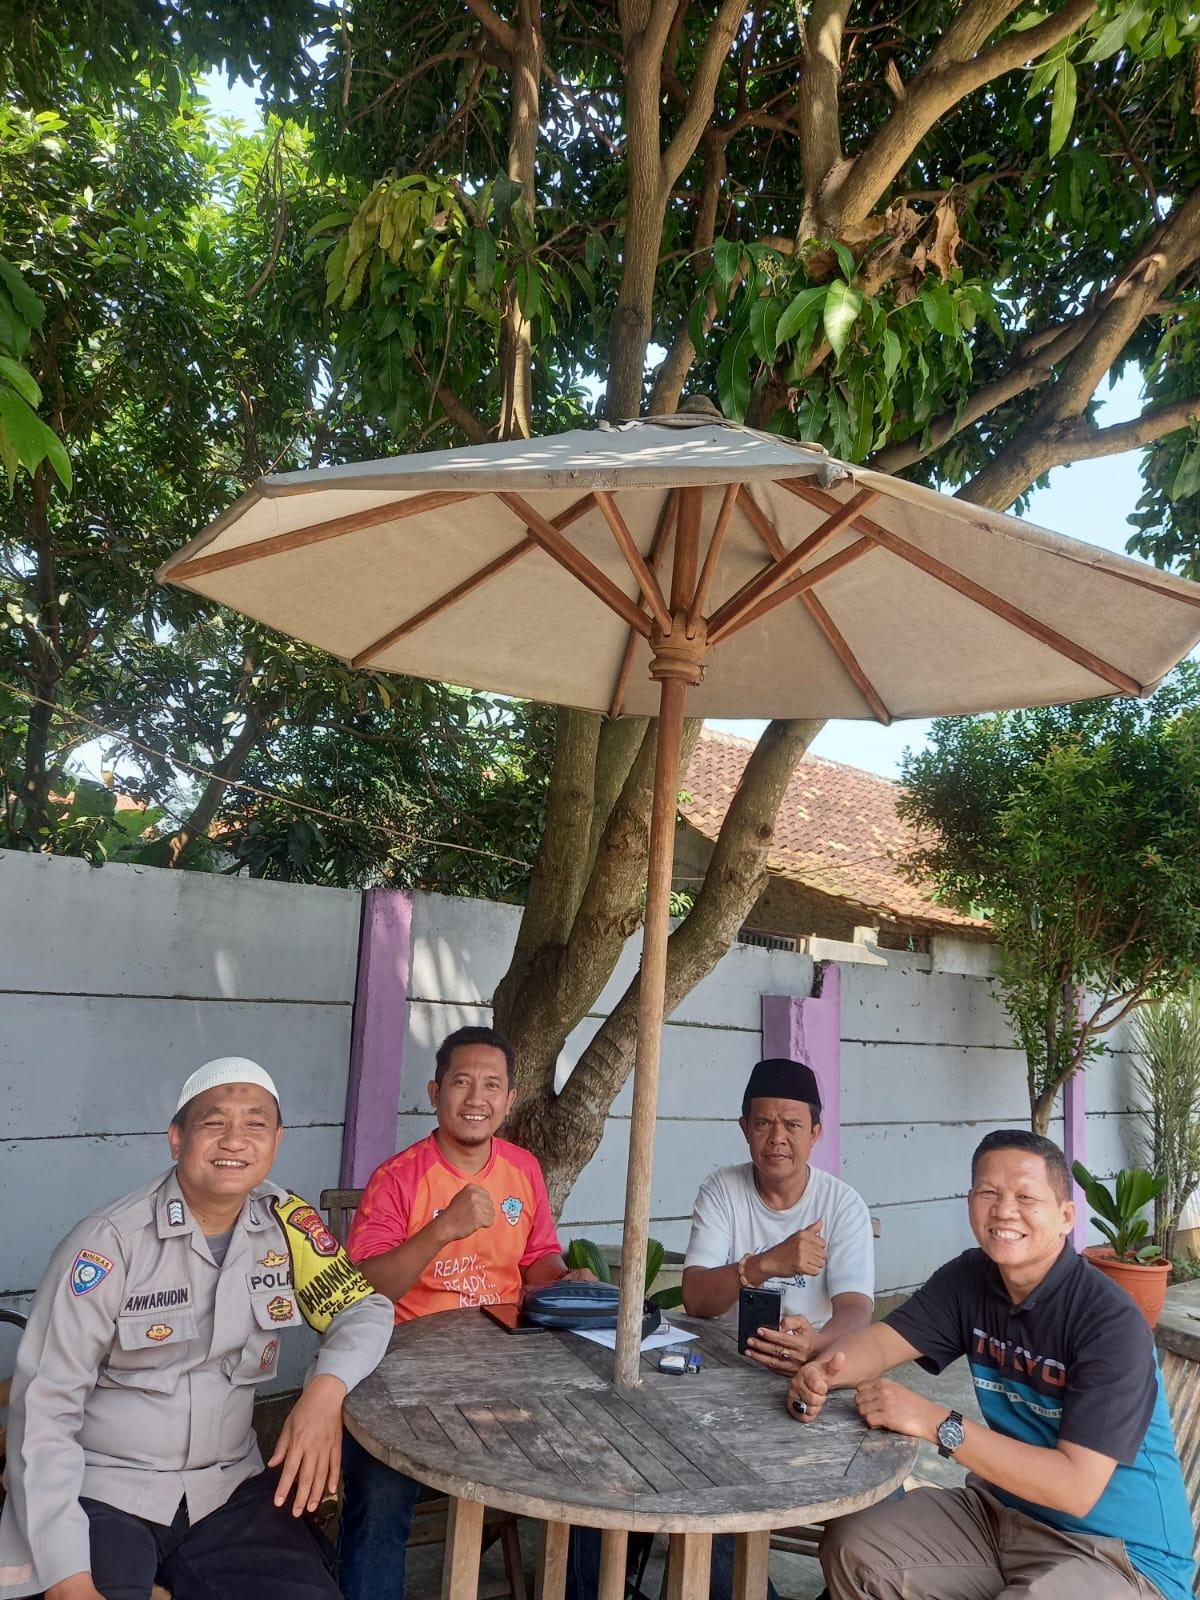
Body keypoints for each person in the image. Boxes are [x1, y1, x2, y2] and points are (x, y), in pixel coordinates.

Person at [0, 1056, 393, 1600]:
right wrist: (68, 1579)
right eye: (214, 1122)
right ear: (176, 1139)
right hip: (102, 1490)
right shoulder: (111, 1243)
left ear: (276, 1141)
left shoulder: (287, 1225)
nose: (234, 1140)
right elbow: (44, 1410)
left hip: (228, 1488)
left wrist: (325, 1391)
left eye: (255, 1123)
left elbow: (365, 1309)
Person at [788, 1128, 1197, 1600]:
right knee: (856, 1548)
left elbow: (1075, 1487)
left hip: (1122, 1557)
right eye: (988, 1193)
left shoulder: (1107, 1320)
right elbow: (881, 1345)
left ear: (1066, 1217)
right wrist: (825, 1370)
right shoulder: (970, 1278)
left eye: (1026, 1197)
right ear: (970, 1203)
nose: (1004, 1210)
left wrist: (934, 1421)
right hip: (1003, 1515)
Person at [338, 1025, 590, 1600]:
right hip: (404, 1379)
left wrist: (564, 1279)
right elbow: (365, 1286)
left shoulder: (523, 1169)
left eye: (492, 1085)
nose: (476, 1098)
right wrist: (442, 1229)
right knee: (377, 1499)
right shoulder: (398, 1178)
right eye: (461, 1082)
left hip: (507, 1372)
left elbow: (537, 1256)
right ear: (435, 1093)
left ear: (510, 1098)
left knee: (591, 1457)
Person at [683, 1056, 875, 1371]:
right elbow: (695, 1298)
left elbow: (856, 1310)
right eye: (763, 1123)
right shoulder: (721, 1189)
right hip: (727, 1359)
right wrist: (766, 1264)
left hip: (813, 1363)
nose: (777, 1138)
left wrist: (815, 1345)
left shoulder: (844, 1205)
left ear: (815, 1133)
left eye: (792, 1125)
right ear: (745, 1129)